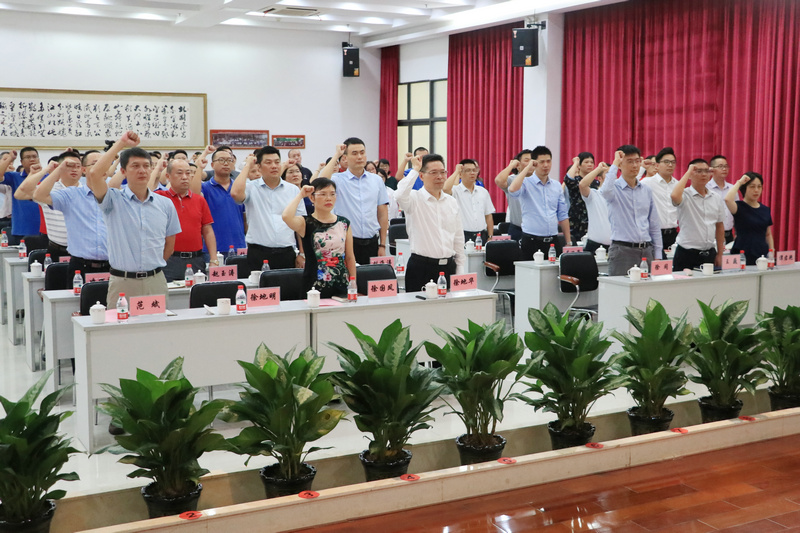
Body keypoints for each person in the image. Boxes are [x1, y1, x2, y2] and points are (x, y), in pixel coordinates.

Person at [86, 131, 180, 303]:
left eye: (146, 166)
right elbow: (94, 174)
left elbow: (170, 245)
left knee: (158, 321)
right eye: (135, 166)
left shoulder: (165, 204)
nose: (142, 170)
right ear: (123, 171)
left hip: (155, 281)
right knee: (119, 322)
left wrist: (151, 268)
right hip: (123, 282)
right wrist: (121, 143)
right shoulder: (112, 199)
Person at [33, 155, 110, 282]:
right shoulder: (72, 194)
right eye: (95, 163)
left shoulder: (114, 195)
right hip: (81, 266)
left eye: (103, 164)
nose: (100, 167)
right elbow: (39, 195)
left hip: (111, 265)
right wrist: (59, 169)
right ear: (84, 169)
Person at [396, 153, 465, 293]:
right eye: (433, 173)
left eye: (443, 172)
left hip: (448, 267)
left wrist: (460, 268)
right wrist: (415, 169)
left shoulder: (451, 202)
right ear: (421, 176)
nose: (440, 177)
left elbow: (458, 237)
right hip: (421, 267)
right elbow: (399, 195)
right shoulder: (414, 199)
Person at [232, 147, 305, 273]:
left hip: (287, 252)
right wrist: (248, 165)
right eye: (268, 162)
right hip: (258, 252)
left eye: (277, 162)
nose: (274, 166)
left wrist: (302, 253)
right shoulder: (251, 188)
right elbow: (235, 194)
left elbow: (301, 224)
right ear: (259, 167)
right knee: (259, 285)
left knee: (287, 285)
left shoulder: (293, 190)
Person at [317, 139, 389, 265]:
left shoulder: (376, 180)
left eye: (362, 152)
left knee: (371, 276)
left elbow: (382, 213)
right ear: (345, 158)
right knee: (349, 277)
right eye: (354, 153)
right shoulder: (338, 180)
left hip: (372, 242)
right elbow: (320, 181)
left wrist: (382, 244)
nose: (359, 157)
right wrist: (336, 155)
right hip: (346, 243)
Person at [282, 179, 356, 298]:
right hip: (314, 285)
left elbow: (350, 257)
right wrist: (301, 195)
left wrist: (353, 283)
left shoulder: (343, 223)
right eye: (323, 194)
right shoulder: (305, 222)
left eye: (332, 194)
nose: (328, 198)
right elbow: (286, 216)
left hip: (341, 283)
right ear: (312, 198)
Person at [600, 146, 662, 276]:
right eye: (629, 161)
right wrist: (615, 163)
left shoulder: (646, 190)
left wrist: (657, 254)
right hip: (622, 251)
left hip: (646, 250)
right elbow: (605, 191)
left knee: (648, 288)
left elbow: (654, 224)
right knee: (619, 288)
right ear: (620, 165)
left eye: (637, 161)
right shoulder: (614, 189)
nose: (635, 165)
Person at [155, 159, 217, 281]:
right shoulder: (160, 197)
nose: (184, 177)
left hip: (196, 260)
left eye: (188, 173)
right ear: (168, 176)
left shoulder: (199, 200)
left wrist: (213, 259)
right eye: (179, 173)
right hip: (169, 260)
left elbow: (207, 230)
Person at [508, 145, 570, 259]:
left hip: (553, 240)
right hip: (531, 241)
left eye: (548, 161)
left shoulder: (556, 185)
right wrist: (528, 168)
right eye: (542, 162)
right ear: (535, 163)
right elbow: (512, 190)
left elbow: (563, 215)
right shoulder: (526, 182)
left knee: (554, 270)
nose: (546, 165)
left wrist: (568, 242)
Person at [669, 160, 725, 271]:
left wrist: (720, 253)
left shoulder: (716, 197)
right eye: (698, 171)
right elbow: (674, 196)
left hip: (709, 253)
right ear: (690, 175)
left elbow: (719, 226)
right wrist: (689, 171)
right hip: (686, 254)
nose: (704, 174)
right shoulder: (685, 195)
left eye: (706, 171)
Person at [194, 147, 245, 261]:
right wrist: (199, 167)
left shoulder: (238, 189)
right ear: (212, 165)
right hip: (212, 249)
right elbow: (194, 193)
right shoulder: (205, 187)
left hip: (239, 247)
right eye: (221, 160)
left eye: (229, 160)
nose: (226, 163)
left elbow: (245, 218)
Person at [725, 173, 774, 265]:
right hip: (742, 253)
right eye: (752, 187)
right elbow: (727, 199)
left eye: (759, 187)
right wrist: (739, 182)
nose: (756, 190)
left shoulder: (765, 209)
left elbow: (768, 234)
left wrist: (772, 251)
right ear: (744, 189)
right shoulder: (739, 207)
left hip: (762, 253)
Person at [443, 159, 495, 244]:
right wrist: (456, 171)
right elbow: (445, 189)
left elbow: (488, 215)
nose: (472, 173)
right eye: (468, 170)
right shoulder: (456, 190)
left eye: (474, 170)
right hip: (463, 235)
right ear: (460, 174)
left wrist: (490, 236)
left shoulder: (483, 191)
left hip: (482, 235)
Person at [641, 147, 679, 257]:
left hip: (673, 234)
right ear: (657, 165)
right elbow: (632, 187)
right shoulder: (648, 182)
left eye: (673, 162)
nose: (670, 165)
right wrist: (642, 168)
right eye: (666, 162)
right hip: (654, 234)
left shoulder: (677, 184)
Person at [0, 146, 42, 244]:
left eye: (34, 156)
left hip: (43, 229)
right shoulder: (15, 176)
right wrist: (10, 159)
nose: (32, 159)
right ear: (21, 162)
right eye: (28, 157)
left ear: (38, 159)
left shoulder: (47, 177)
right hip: (21, 228)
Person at [494, 149, 532, 241]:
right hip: (518, 229)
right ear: (518, 165)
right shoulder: (512, 179)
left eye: (532, 160)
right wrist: (511, 165)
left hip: (536, 229)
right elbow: (499, 180)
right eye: (527, 160)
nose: (530, 163)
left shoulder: (539, 181)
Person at [578, 162, 612, 254]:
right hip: (595, 245)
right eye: (608, 174)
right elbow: (582, 185)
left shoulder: (618, 196)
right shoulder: (594, 195)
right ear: (600, 178)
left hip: (615, 246)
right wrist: (599, 169)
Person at [563, 152, 597, 244]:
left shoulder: (596, 183)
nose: (590, 164)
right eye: (586, 162)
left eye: (591, 162)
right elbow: (567, 179)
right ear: (580, 166)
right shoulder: (575, 181)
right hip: (576, 221)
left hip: (593, 221)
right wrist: (575, 163)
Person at [708, 155, 736, 243]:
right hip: (711, 236)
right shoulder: (705, 188)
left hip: (729, 235)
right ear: (711, 169)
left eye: (726, 166)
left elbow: (736, 212)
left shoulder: (732, 189)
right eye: (720, 166)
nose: (724, 169)